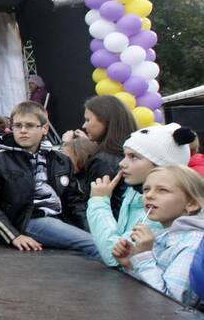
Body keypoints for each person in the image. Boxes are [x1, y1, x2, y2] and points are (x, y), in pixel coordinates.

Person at [0, 101, 96, 256]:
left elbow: (74, 201)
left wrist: (92, 228)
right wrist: (14, 236)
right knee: (93, 244)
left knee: (104, 239)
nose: (23, 130)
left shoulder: (60, 159)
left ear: (44, 129)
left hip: (60, 220)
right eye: (18, 125)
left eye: (30, 125)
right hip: (27, 221)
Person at [88, 123, 193, 268]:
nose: (122, 163)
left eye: (134, 157)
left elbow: (114, 256)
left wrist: (98, 202)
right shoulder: (133, 191)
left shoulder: (162, 208)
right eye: (125, 155)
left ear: (161, 165)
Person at [113, 166, 204, 304]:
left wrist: (144, 256)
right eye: (146, 189)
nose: (149, 195)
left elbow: (170, 302)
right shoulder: (163, 235)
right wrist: (131, 264)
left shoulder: (193, 243)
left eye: (163, 190)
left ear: (191, 204)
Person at [62, 95, 136, 216]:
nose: (84, 126)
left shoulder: (103, 160)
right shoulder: (131, 152)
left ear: (105, 120)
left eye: (88, 120)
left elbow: (93, 207)